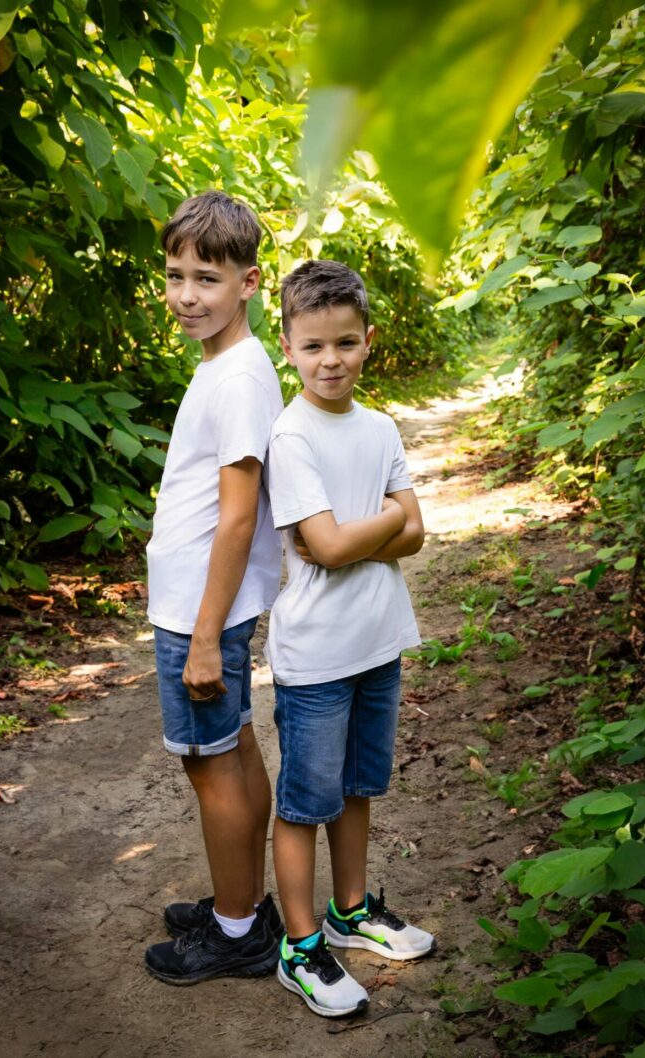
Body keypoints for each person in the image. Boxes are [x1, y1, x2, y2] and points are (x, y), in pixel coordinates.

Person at [265, 259, 435, 1017]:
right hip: (316, 658)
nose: (329, 360)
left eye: (343, 343)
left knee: (359, 788)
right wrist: (385, 521)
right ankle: (300, 945)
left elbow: (416, 533)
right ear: (288, 346)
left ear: (367, 341)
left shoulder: (380, 428)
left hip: (376, 642)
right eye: (312, 346)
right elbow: (327, 549)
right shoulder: (291, 434)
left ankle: (350, 908)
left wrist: (369, 529)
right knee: (305, 801)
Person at [144, 190, 284, 986]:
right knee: (230, 748)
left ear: (249, 283)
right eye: (175, 275)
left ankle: (236, 932)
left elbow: (237, 520)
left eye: (207, 277)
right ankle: (245, 904)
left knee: (210, 765)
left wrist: (203, 635)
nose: (188, 295)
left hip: (203, 610)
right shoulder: (232, 363)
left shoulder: (236, 377)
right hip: (206, 602)